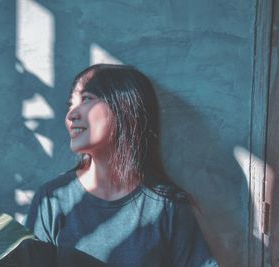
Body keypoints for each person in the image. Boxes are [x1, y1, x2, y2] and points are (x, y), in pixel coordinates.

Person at [25, 64, 218, 267]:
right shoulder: (53, 199)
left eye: (87, 99)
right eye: (70, 104)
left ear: (124, 106)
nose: (71, 115)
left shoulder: (167, 205)